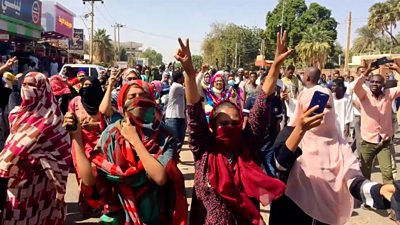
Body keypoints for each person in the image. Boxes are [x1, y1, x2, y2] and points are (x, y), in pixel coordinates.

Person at [175, 32, 295, 224]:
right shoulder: (203, 148)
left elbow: (262, 103)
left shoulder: (248, 146)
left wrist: (275, 66)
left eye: (234, 122)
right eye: (223, 123)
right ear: (213, 126)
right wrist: (189, 73)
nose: (229, 127)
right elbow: (194, 111)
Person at [268, 84, 396, 225]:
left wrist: (379, 191)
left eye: (328, 107)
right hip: (291, 214)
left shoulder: (340, 144)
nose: (323, 111)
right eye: (315, 106)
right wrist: (300, 130)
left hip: (327, 218)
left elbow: (353, 179)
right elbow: (278, 166)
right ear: (302, 107)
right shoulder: (290, 134)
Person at [64, 80, 188, 224]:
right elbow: (89, 180)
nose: (138, 100)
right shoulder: (111, 134)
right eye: (132, 96)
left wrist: (134, 139)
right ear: (122, 104)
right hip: (118, 216)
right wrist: (76, 137)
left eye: (143, 95)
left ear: (152, 100)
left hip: (155, 215)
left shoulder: (164, 134)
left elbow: (160, 177)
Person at [0, 72, 71, 225]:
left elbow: (62, 154)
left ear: (43, 89)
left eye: (32, 85)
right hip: (15, 183)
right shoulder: (16, 114)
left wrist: (36, 161)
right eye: (24, 85)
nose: (27, 88)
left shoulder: (52, 119)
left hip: (43, 184)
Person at [354, 60, 400, 184]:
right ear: (369, 83)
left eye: (378, 82)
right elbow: (356, 86)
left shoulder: (389, 94)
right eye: (372, 81)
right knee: (364, 173)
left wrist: (398, 69)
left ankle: (388, 200)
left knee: (387, 174)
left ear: (383, 84)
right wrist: (368, 71)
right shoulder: (364, 95)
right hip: (367, 142)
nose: (375, 84)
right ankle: (365, 199)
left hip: (384, 142)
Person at [68, 76, 105, 215]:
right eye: (85, 85)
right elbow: (69, 119)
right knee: (83, 178)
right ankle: (87, 205)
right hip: (79, 144)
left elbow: (110, 123)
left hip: (98, 145)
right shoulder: (75, 102)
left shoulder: (103, 103)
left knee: (97, 177)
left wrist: (95, 125)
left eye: (90, 85)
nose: (86, 89)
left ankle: (100, 204)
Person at [165, 71, 186, 155]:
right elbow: (189, 90)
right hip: (172, 117)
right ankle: (171, 158)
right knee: (173, 140)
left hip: (180, 116)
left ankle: (175, 158)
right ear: (179, 78)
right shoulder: (177, 86)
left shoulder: (179, 87)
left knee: (180, 139)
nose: (184, 79)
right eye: (183, 77)